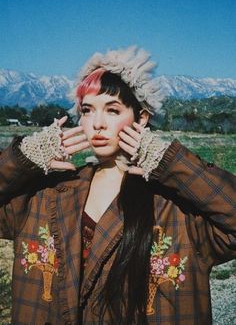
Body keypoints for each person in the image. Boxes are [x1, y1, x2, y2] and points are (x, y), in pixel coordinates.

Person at [0, 46, 235, 325]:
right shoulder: (46, 194)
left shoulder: (176, 206)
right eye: (87, 110)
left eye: (112, 110)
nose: (97, 124)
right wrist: (23, 159)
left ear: (141, 117)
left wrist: (169, 162)